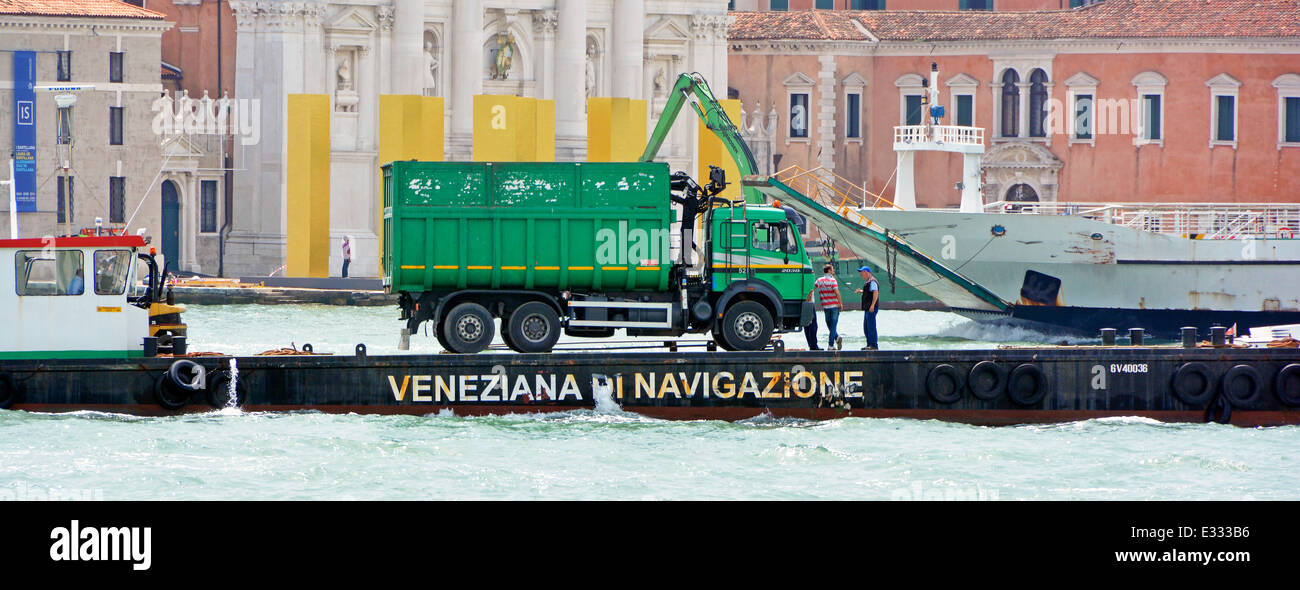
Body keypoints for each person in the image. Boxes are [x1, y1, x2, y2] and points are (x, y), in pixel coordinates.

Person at [810, 263, 842, 350]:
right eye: (832, 269)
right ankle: (834, 341)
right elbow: (837, 292)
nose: (833, 271)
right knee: (833, 326)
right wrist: (840, 303)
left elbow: (812, 288)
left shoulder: (819, 280)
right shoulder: (833, 281)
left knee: (830, 325)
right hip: (834, 306)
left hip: (825, 307)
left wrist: (808, 297)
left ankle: (834, 341)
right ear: (829, 271)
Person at [855, 265, 879, 350]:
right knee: (866, 327)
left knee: (871, 326)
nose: (861, 274)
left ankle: (873, 345)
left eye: (862, 272)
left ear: (867, 272)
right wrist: (861, 291)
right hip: (867, 308)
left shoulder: (872, 281)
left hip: (871, 308)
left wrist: (872, 305)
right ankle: (869, 344)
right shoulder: (868, 282)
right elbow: (869, 292)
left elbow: (875, 293)